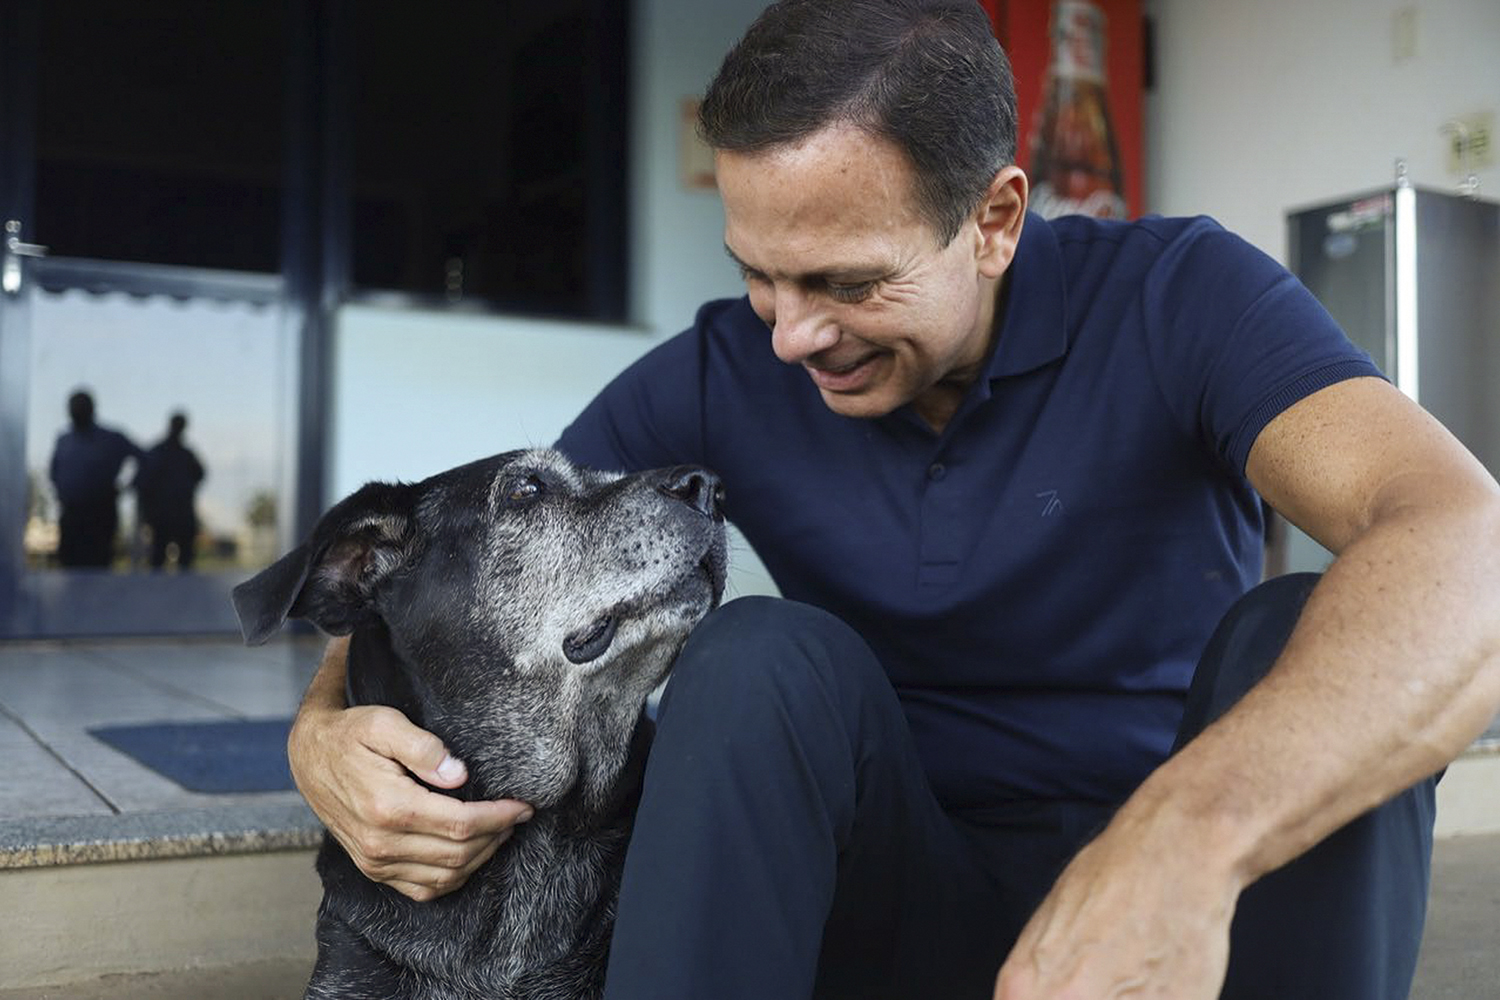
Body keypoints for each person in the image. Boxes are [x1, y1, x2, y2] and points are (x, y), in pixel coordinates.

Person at [285, 2, 1500, 998]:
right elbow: (468, 580)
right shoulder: (729, 366)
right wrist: (323, 730)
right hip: (899, 900)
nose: (792, 334)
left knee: (1313, 624)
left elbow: (1466, 537)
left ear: (996, 220)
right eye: (759, 274)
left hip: (1200, 917)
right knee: (758, 656)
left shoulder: (1180, 294)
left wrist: (1189, 839)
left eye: (847, 282)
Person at [48, 389, 143, 568]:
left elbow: (143, 460)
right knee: (69, 563)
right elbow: (53, 472)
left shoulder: (110, 439)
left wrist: (127, 487)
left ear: (91, 409)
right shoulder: (64, 440)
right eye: (73, 408)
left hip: (100, 513)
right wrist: (60, 492)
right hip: (71, 513)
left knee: (97, 564)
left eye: (81, 407)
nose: (76, 412)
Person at [135, 411, 206, 570]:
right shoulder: (163, 453)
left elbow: (200, 474)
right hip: (164, 516)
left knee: (179, 561)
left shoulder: (181, 454)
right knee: (159, 560)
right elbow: (142, 483)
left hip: (177, 515)